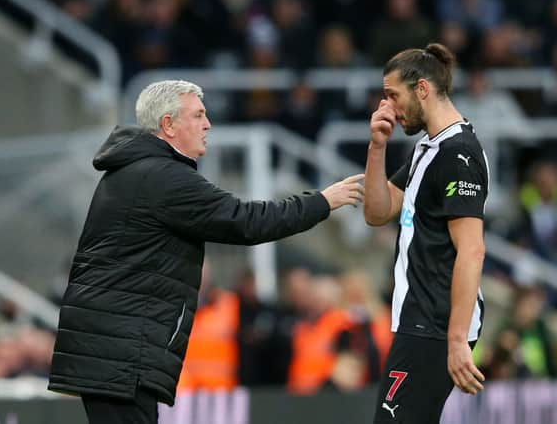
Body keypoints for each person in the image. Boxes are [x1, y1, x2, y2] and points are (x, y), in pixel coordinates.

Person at [47, 80, 364, 424]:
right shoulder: (164, 178)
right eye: (197, 115)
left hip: (113, 347)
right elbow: (249, 222)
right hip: (122, 351)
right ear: (168, 125)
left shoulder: (131, 171)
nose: (208, 124)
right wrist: (321, 201)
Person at [363, 43, 489, 424]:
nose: (388, 107)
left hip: (434, 325)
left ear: (422, 89)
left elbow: (472, 251)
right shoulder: (428, 148)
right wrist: (376, 146)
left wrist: (455, 341)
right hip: (419, 321)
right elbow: (377, 211)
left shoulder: (458, 155)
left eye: (392, 96)